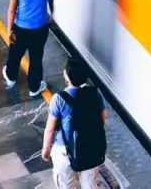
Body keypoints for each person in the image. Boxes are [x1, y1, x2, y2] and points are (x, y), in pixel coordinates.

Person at [42, 59, 107, 189]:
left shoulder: (59, 99)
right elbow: (103, 119)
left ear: (67, 76)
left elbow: (50, 129)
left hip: (65, 151)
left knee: (66, 184)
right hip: (91, 149)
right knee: (90, 184)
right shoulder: (95, 93)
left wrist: (46, 149)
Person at [3, 0, 56, 98]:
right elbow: (50, 3)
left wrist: (9, 30)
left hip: (21, 28)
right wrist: (51, 16)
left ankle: (11, 78)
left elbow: (12, 10)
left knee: (15, 54)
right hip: (40, 28)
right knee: (36, 58)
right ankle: (34, 87)